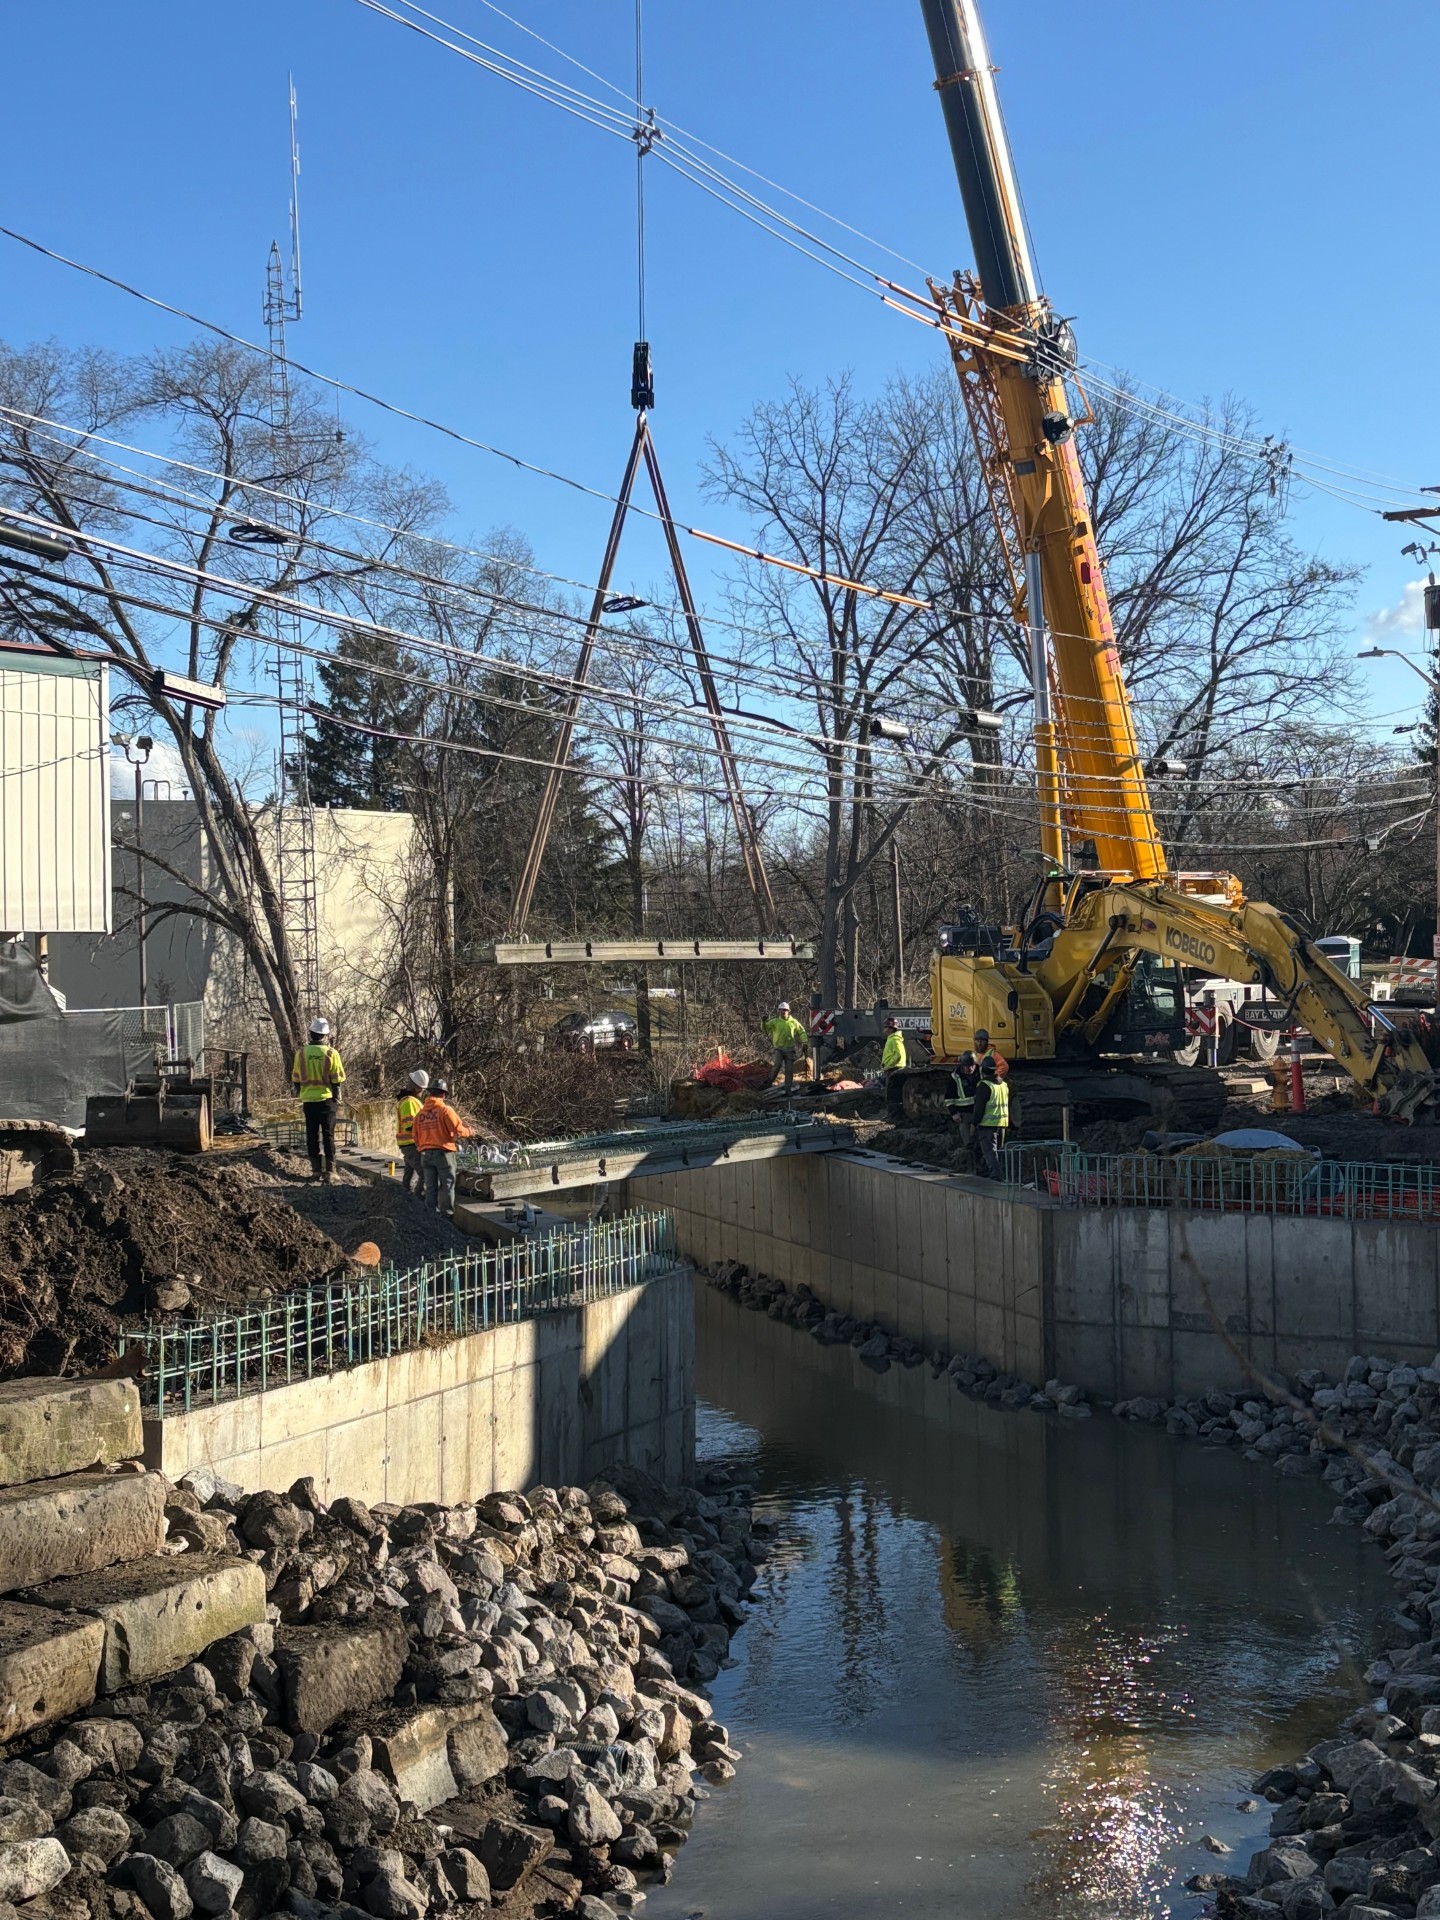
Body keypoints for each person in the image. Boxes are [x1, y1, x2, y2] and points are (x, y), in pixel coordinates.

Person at [290, 1017, 345, 1183]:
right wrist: (337, 1096)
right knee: (328, 1135)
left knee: (311, 1135)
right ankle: (331, 1171)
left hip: (308, 1101)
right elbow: (337, 1080)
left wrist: (301, 1092)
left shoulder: (301, 1053)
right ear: (326, 1035)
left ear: (311, 1033)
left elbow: (296, 1079)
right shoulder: (331, 1053)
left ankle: (315, 1170)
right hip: (327, 1100)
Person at [412, 1078, 472, 1216]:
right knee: (447, 1185)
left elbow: (415, 1137)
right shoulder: (445, 1110)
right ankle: (446, 1216)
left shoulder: (420, 1115)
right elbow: (458, 1131)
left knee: (430, 1186)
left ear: (430, 1093)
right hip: (443, 1154)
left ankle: (431, 1216)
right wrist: (469, 1132)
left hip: (425, 1155)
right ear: (444, 1095)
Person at [975, 1047, 1011, 1180]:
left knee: (990, 1151)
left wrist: (974, 1122)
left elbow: (979, 1107)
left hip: (987, 1124)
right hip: (1001, 1124)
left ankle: (996, 1177)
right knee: (998, 1151)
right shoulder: (1003, 1085)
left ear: (982, 1070)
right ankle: (1001, 1174)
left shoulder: (984, 1086)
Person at [762, 1001, 809, 1096]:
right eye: (781, 1010)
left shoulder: (793, 1022)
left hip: (790, 1050)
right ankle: (768, 1083)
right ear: (779, 1011)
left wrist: (804, 1042)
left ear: (788, 1011)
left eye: (784, 1010)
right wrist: (763, 1022)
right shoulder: (775, 1021)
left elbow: (802, 1032)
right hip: (779, 1049)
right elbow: (765, 1029)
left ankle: (788, 1089)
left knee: (789, 1070)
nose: (783, 1012)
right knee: (777, 1065)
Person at [395, 1068, 429, 1194]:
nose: (423, 1092)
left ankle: (405, 1194)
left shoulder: (410, 1101)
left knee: (409, 1172)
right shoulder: (409, 1102)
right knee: (425, 1174)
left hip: (409, 1143)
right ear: (417, 1088)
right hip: (411, 1143)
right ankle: (417, 1198)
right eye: (422, 1089)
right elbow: (410, 1125)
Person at [880, 1015, 907, 1113]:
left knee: (892, 1095)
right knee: (892, 1094)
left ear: (891, 1028)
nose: (884, 1029)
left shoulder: (895, 1040)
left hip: (894, 1069)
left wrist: (888, 1065)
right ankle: (893, 1114)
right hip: (893, 1069)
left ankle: (894, 1114)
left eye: (885, 1027)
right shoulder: (892, 1039)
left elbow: (898, 1055)